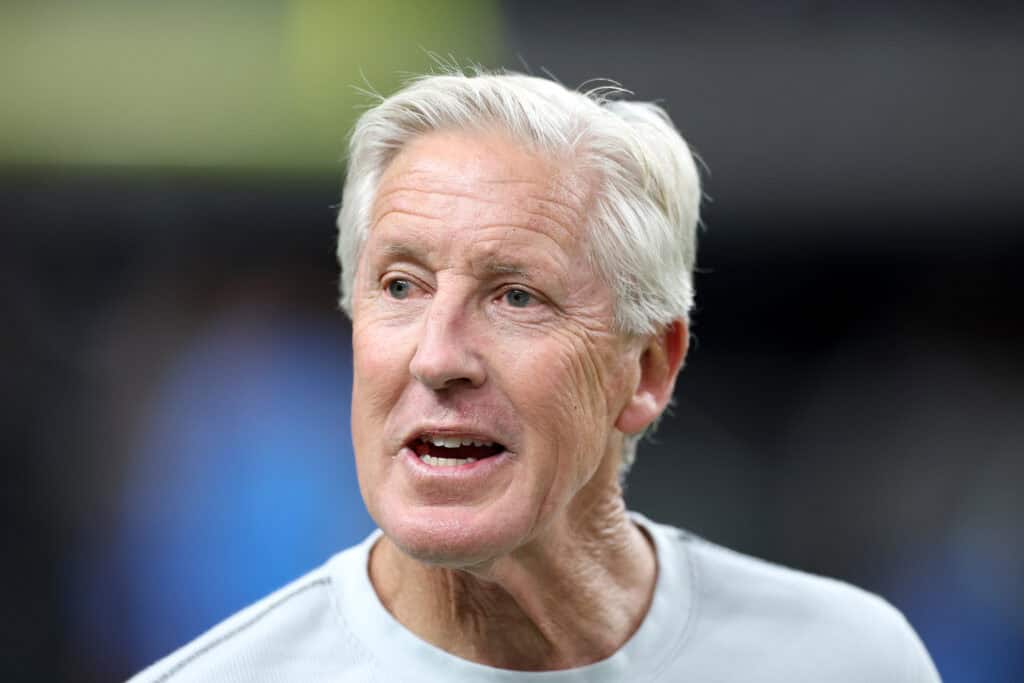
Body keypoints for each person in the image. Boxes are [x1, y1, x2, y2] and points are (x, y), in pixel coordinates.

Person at [129, 70, 941, 682]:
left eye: (516, 295)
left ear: (648, 367)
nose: (438, 356)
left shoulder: (849, 660)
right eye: (401, 287)